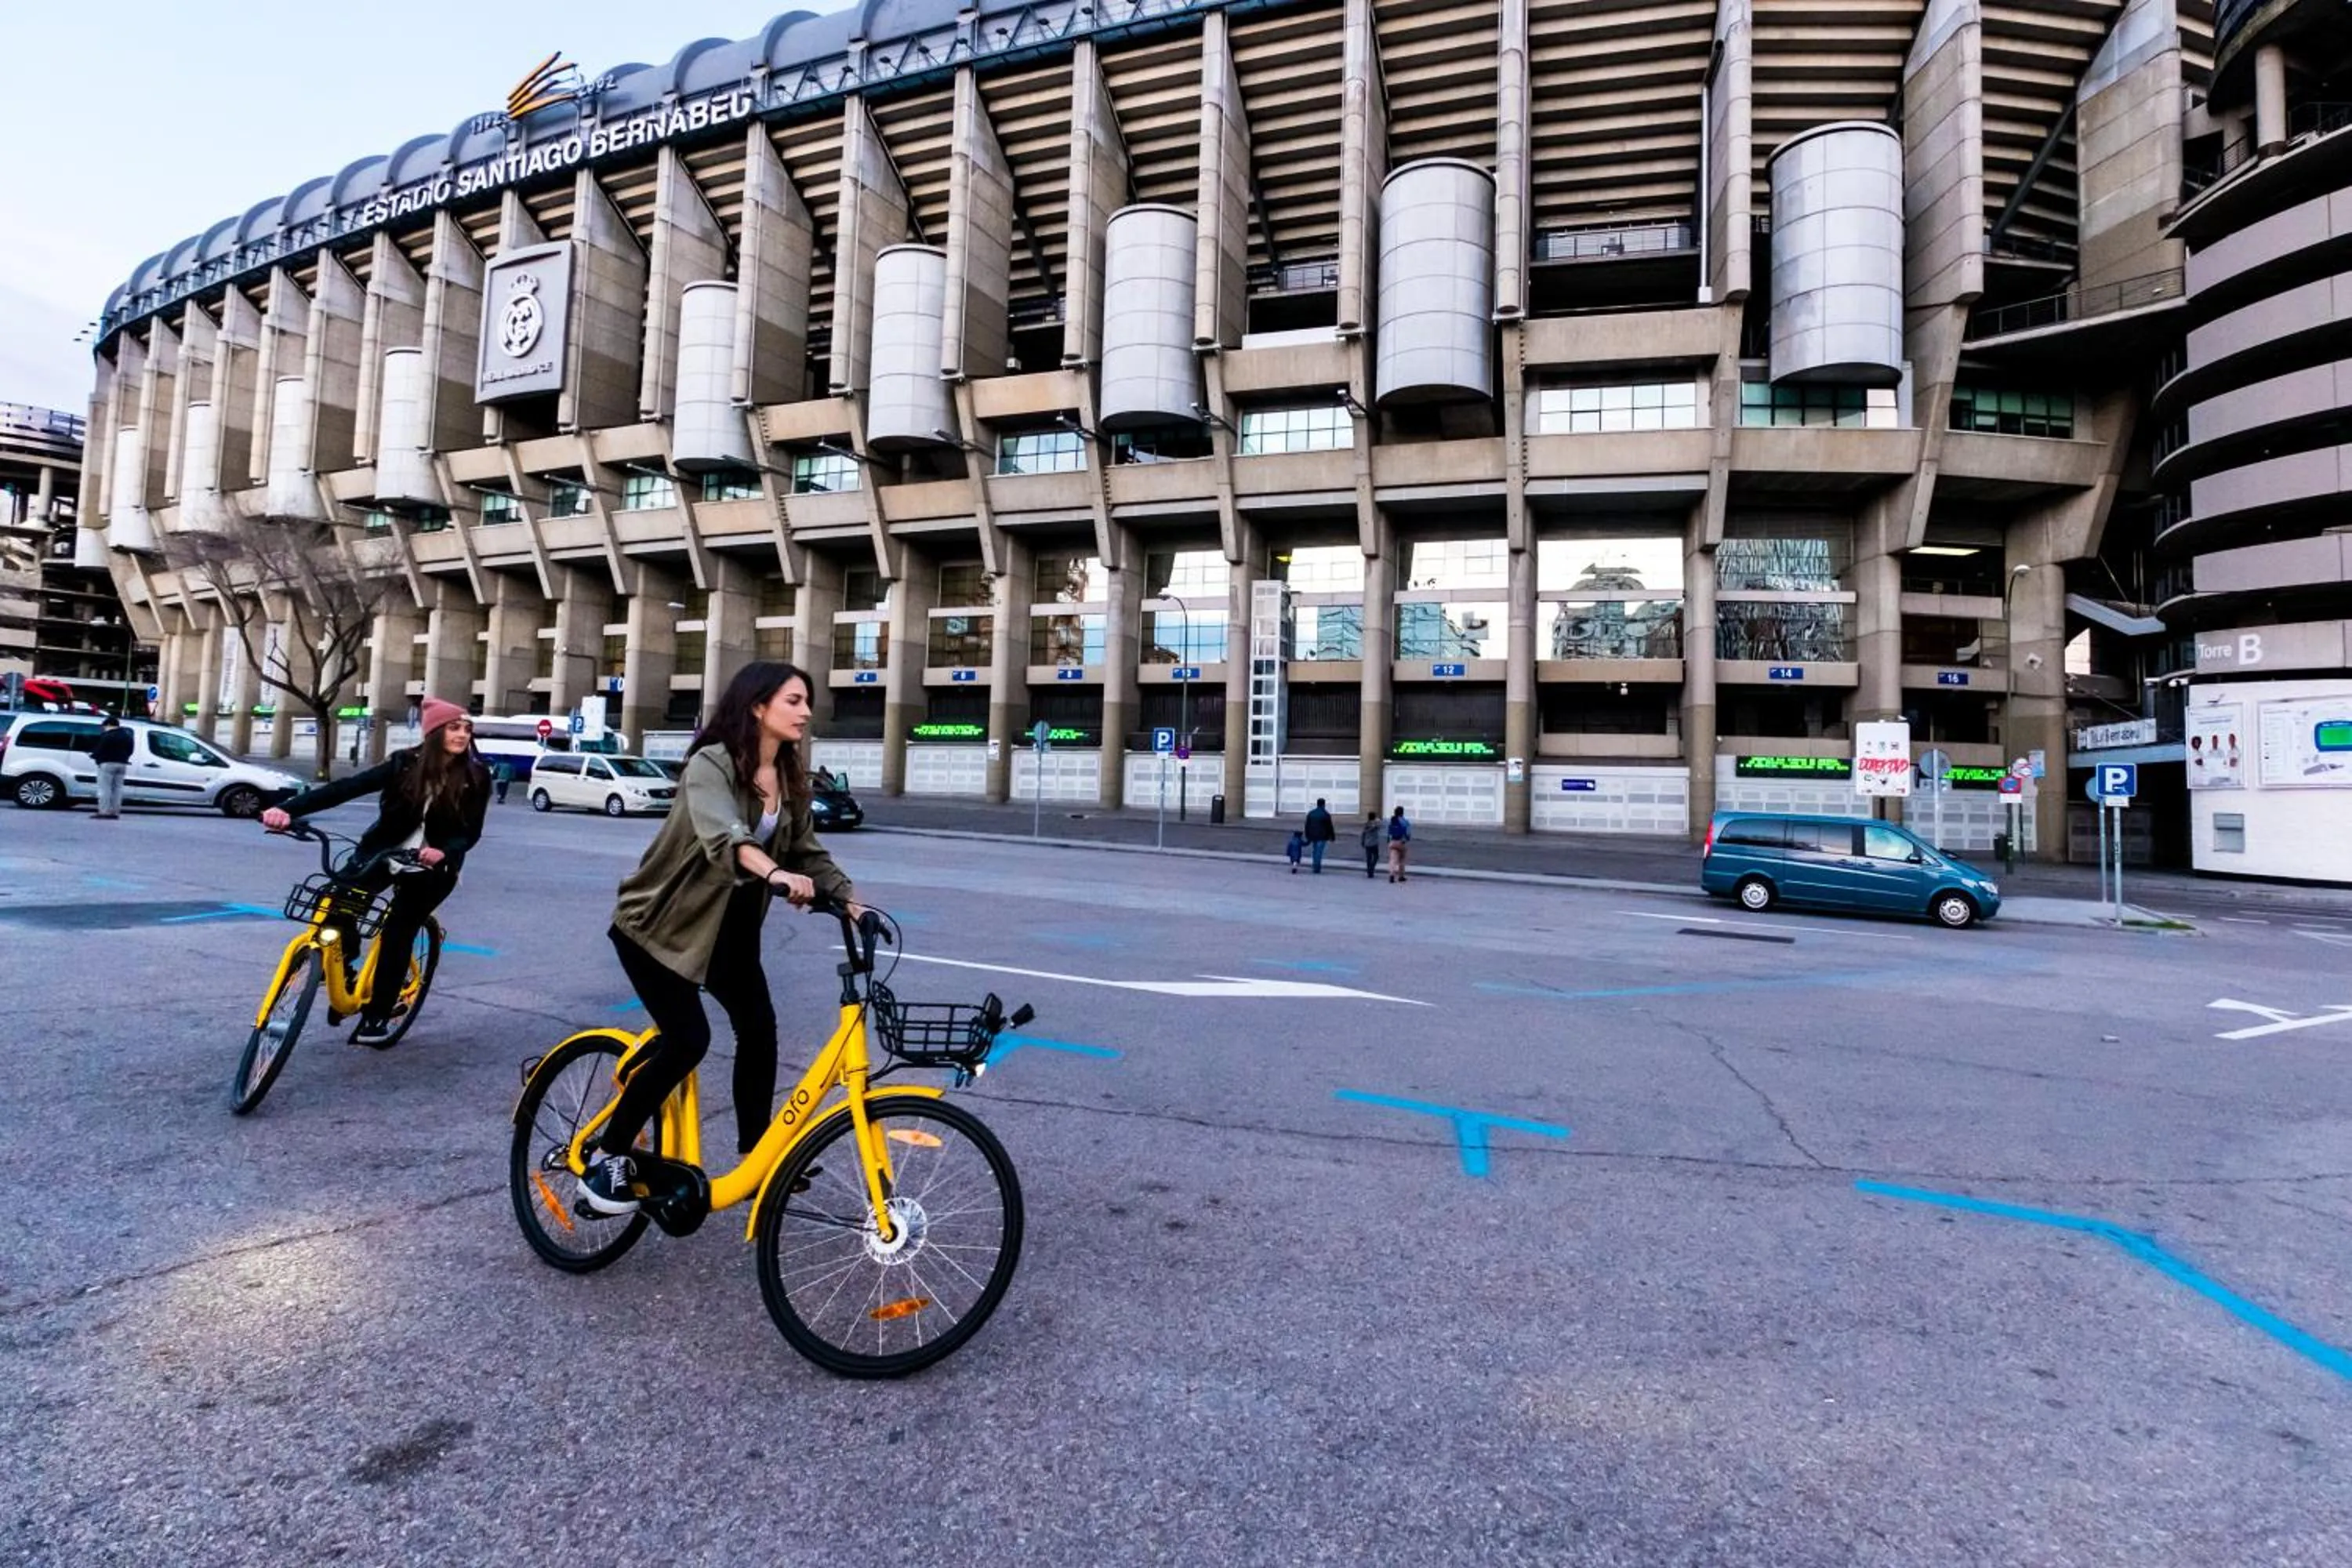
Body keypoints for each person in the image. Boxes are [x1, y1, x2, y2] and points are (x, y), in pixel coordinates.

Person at [582, 661, 858, 1215]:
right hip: (658, 925)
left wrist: (851, 901)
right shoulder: (711, 764)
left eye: (807, 701)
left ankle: (758, 1154)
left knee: (759, 1029)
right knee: (689, 1040)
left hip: (730, 928)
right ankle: (607, 1155)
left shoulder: (789, 777)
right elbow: (722, 835)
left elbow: (807, 852)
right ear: (758, 706)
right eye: (795, 700)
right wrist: (774, 874)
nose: (806, 711)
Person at [260, 698, 489, 1047]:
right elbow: (346, 789)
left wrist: (443, 851)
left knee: (398, 932)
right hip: (383, 854)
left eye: (466, 728)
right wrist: (286, 810)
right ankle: (344, 970)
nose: (462, 734)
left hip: (432, 868)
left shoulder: (476, 775)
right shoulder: (403, 764)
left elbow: (470, 831)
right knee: (337, 903)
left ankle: (378, 1016)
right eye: (454, 727)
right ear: (434, 733)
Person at [89, 716, 134, 820]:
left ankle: (104, 811)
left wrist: (94, 756)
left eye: (104, 726)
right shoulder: (127, 736)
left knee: (105, 789)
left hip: (107, 763)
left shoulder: (107, 736)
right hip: (122, 764)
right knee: (118, 789)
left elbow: (100, 750)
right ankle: (115, 812)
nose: (104, 728)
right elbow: (130, 750)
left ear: (108, 725)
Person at [1302, 797, 1335, 874]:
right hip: (1322, 836)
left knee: (1315, 851)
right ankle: (1317, 867)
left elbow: (1307, 825)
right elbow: (1329, 827)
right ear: (1324, 805)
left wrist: (1307, 835)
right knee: (1319, 852)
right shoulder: (1326, 814)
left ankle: (1315, 865)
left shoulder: (1311, 813)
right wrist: (1332, 836)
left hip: (1313, 836)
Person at [1386, 805, 1413, 884]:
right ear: (1402, 813)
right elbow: (1408, 833)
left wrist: (1389, 841)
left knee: (1393, 859)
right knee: (1402, 859)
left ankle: (1392, 874)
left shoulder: (1392, 820)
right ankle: (1401, 876)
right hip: (1401, 842)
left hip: (1392, 842)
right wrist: (1407, 839)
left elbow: (1388, 832)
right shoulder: (1405, 821)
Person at [1359, 811, 1382, 879]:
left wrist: (1362, 842)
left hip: (1367, 843)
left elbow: (1363, 834)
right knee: (1376, 857)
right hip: (1374, 843)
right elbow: (1380, 823)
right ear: (1374, 817)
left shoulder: (1366, 824)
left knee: (1369, 858)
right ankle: (1372, 868)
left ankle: (1369, 872)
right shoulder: (1376, 824)